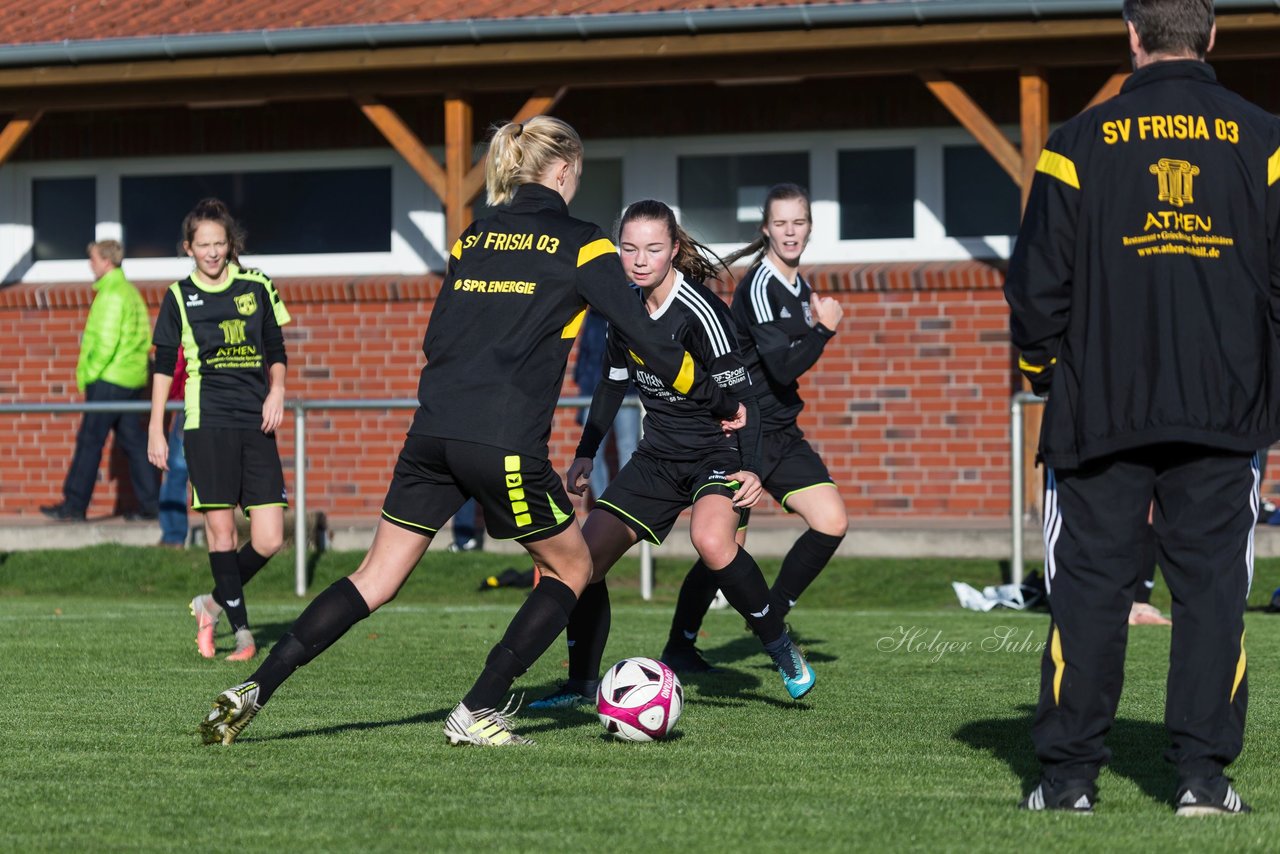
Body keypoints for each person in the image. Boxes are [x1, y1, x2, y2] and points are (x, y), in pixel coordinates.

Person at [196, 116, 741, 747]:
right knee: (574, 569)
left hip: (431, 431)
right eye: (579, 174)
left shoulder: (474, 236)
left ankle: (255, 688)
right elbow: (644, 331)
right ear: (562, 171)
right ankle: (479, 708)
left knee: (374, 577)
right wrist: (712, 388)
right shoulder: (586, 244)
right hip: (503, 439)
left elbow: (435, 338)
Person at [1005, 0, 1280, 815]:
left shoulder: (1075, 143)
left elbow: (1035, 293)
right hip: (1224, 410)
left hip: (1100, 413)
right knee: (1212, 599)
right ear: (1212, 36)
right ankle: (1201, 780)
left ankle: (1067, 786)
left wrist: (1045, 375)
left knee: (1087, 596)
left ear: (1131, 37)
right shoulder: (1265, 140)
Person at [529, 199, 815, 711]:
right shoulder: (623, 307)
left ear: (674, 250)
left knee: (710, 540)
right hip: (657, 456)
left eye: (653, 249)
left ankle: (781, 647)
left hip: (717, 453)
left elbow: (743, 397)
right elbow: (612, 384)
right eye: (629, 248)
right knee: (585, 562)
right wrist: (585, 454)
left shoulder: (701, 310)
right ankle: (581, 685)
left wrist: (751, 466)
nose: (640, 260)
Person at [658, 183, 848, 673]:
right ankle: (681, 644)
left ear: (809, 228)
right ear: (766, 228)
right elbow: (782, 370)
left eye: (798, 222)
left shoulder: (798, 286)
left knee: (832, 521)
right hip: (748, 431)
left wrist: (815, 323)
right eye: (781, 223)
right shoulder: (760, 283)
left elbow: (785, 371)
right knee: (724, 549)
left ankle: (773, 613)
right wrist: (824, 329)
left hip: (784, 430)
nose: (790, 232)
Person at [148, 198, 291, 662]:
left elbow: (275, 345)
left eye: (219, 243)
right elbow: (164, 367)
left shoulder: (257, 284)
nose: (212, 252)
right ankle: (244, 633)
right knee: (222, 535)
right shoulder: (177, 296)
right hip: (205, 423)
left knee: (270, 537)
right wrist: (155, 427)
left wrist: (277, 392)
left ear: (232, 245)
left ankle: (210, 603)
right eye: (203, 245)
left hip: (256, 421)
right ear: (188, 248)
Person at [41, 240, 157, 522]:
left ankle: (74, 506)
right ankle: (151, 506)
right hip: (130, 379)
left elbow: (105, 343)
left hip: (109, 379)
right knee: (132, 441)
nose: (89, 264)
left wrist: (89, 374)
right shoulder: (129, 292)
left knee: (90, 440)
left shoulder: (112, 295)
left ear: (106, 261)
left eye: (92, 258)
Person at [574, 308, 640, 501]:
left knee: (629, 447)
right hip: (592, 392)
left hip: (627, 391)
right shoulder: (593, 317)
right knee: (591, 452)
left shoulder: (627, 310)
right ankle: (603, 503)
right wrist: (584, 382)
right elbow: (584, 352)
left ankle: (627, 502)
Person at [156, 348, 190, 548]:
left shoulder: (190, 317)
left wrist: (175, 398)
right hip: (226, 404)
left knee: (177, 470)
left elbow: (177, 363)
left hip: (192, 402)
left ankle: (173, 537)